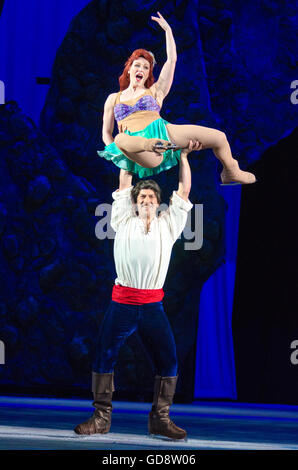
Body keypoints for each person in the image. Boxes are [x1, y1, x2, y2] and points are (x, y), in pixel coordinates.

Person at [74, 139, 202, 440]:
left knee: (169, 360)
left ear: (159, 203)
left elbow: (183, 192)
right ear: (135, 202)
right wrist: (130, 151)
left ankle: (160, 419)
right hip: (122, 303)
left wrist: (183, 157)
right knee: (104, 356)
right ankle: (101, 418)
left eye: (151, 196)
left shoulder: (169, 225)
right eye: (142, 196)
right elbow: (124, 179)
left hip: (152, 307)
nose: (146, 199)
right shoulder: (122, 219)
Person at [97, 11, 256, 185]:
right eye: (137, 65)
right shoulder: (113, 98)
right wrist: (117, 155)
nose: (141, 69)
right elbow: (106, 132)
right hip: (135, 147)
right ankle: (149, 144)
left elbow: (172, 60)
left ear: (149, 73)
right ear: (129, 69)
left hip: (163, 134)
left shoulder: (155, 91)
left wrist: (168, 31)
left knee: (219, 137)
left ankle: (231, 171)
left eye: (146, 67)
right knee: (119, 139)